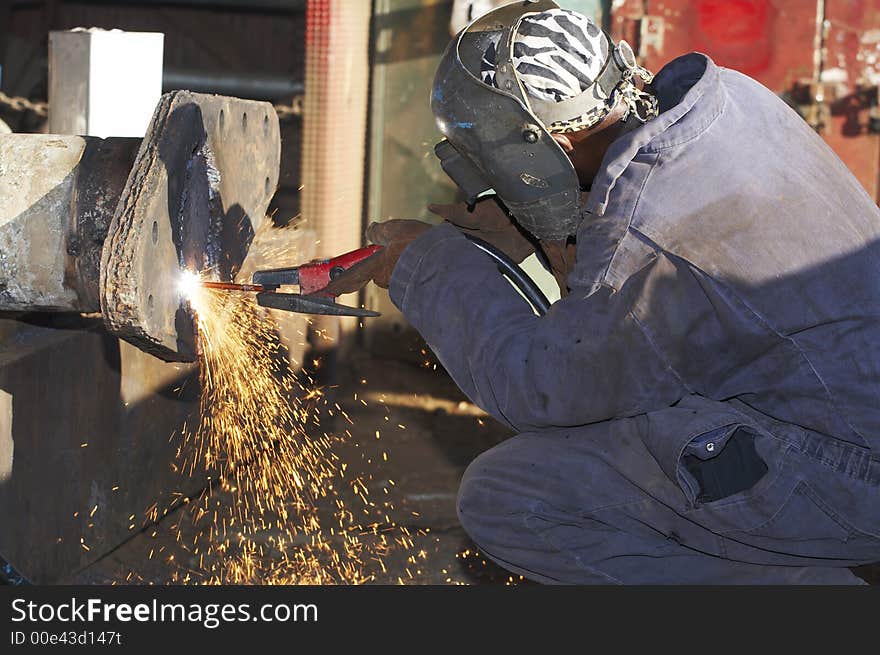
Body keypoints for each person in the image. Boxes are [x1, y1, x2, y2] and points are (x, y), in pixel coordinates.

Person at [326, 1, 880, 583]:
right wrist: (536, 239)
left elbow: (544, 391)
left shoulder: (640, 232)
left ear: (542, 147)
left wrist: (420, 262)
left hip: (849, 469)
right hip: (842, 411)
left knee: (514, 496)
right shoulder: (728, 103)